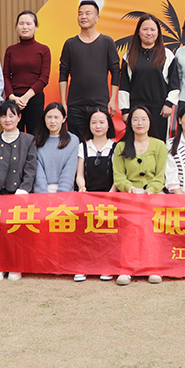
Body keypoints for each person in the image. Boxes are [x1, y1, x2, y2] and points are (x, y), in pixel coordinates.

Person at [0, 99, 37, 282]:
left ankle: (16, 265)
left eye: (11, 115)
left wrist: (24, 190)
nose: (7, 119)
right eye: (4, 116)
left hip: (19, 195)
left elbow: (31, 168)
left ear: (19, 117)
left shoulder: (28, 140)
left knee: (17, 231)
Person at [113, 106, 167, 285]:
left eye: (144, 119)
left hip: (153, 197)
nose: (139, 123)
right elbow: (119, 176)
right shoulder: (121, 146)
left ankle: (153, 268)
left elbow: (161, 176)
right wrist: (129, 188)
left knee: (152, 231)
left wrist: (151, 190)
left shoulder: (159, 145)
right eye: (135, 119)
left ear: (150, 122)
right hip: (129, 197)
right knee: (129, 231)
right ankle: (126, 269)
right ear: (129, 122)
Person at [58, 0, 120, 142]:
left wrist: (112, 100)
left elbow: (115, 71)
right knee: (77, 144)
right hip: (75, 105)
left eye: (87, 13)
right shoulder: (70, 44)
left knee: (100, 142)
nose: (83, 17)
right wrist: (63, 102)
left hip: (100, 104)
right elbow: (63, 73)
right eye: (80, 14)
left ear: (97, 18)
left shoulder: (106, 42)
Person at [74, 106, 118, 283]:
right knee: (85, 233)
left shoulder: (116, 147)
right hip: (88, 197)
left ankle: (106, 265)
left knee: (106, 234)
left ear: (108, 125)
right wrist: (82, 186)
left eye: (102, 122)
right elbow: (79, 174)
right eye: (94, 122)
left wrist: (111, 194)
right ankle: (83, 266)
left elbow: (118, 175)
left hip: (110, 197)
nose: (97, 126)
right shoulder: (83, 146)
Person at [118, 13, 179, 140]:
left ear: (158, 33)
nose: (149, 33)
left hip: (160, 110)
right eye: (145, 29)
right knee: (135, 143)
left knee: (159, 144)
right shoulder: (129, 56)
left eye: (152, 29)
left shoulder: (167, 54)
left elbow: (175, 83)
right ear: (138, 32)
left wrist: (169, 104)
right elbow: (124, 86)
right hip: (136, 110)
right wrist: (125, 111)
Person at [2, 10, 51, 135]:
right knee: (13, 135)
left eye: (28, 23)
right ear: (16, 26)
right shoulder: (10, 50)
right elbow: (5, 76)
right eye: (21, 23)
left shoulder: (43, 50)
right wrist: (12, 97)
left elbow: (44, 77)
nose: (24, 27)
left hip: (34, 98)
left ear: (35, 26)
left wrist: (26, 97)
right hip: (14, 99)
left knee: (34, 136)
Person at [34, 103, 79, 193]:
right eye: (49, 117)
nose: (52, 121)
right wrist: (43, 195)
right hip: (41, 193)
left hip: (66, 193)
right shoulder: (36, 140)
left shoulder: (73, 140)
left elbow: (69, 170)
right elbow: (38, 172)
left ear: (64, 119)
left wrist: (62, 194)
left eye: (56, 117)